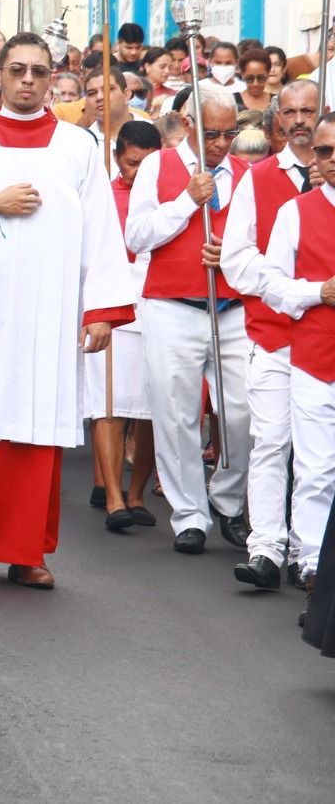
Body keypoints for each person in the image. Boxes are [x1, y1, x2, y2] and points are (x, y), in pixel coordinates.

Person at [0, 32, 135, 588]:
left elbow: (102, 233)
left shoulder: (78, 146)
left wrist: (102, 310)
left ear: (52, 76)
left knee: (36, 422)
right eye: (16, 70)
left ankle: (25, 551)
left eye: (38, 72)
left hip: (50, 310)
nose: (26, 81)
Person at [126, 83, 254, 554]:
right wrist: (185, 203)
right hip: (172, 308)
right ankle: (189, 515)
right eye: (215, 134)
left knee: (242, 413)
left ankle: (227, 498)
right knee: (176, 415)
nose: (223, 144)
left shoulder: (246, 173)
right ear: (190, 125)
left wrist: (234, 256)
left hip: (232, 310)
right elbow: (137, 235)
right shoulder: (159, 165)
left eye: (231, 134)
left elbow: (258, 245)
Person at [223, 82, 322, 590]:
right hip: (275, 334)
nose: (300, 120)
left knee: (316, 455)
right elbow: (236, 261)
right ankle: (265, 548)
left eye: (309, 111)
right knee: (269, 442)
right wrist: (291, 288)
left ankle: (311, 557)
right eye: (292, 112)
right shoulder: (257, 179)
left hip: (324, 342)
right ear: (276, 119)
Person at [258, 112, 335, 633]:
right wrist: (317, 292)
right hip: (315, 358)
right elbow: (269, 284)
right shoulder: (296, 211)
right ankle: (313, 573)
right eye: (324, 152)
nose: (330, 161)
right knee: (316, 469)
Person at [86, 120, 162, 530]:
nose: (140, 173)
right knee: (109, 404)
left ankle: (135, 494)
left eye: (149, 164)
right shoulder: (101, 197)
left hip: (159, 303)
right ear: (117, 158)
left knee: (151, 408)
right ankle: (113, 496)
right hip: (115, 300)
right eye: (133, 164)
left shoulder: (167, 195)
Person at [237, 49, 273, 114]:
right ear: (242, 75)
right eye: (249, 78)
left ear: (268, 74)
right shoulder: (232, 101)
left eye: (261, 78)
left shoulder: (277, 102)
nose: (255, 84)